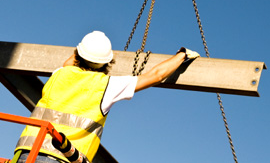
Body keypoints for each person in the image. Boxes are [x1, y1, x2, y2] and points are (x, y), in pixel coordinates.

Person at [15, 31, 200, 163]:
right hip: (62, 158)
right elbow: (156, 76)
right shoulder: (107, 85)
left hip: (26, 154)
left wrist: (81, 50)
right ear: (107, 62)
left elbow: (68, 63)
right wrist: (182, 55)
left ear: (77, 54)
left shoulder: (59, 74)